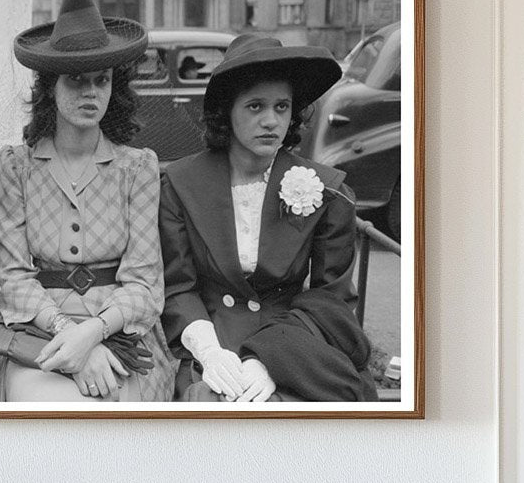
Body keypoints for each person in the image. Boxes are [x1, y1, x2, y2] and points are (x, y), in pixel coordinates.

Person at [158, 33, 377, 402]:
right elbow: (178, 287)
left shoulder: (326, 190)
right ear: (228, 110)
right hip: (210, 342)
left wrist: (268, 361)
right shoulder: (180, 184)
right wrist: (210, 353)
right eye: (255, 107)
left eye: (281, 107)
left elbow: (331, 300)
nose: (271, 121)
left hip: (291, 344)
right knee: (207, 405)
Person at [0, 0, 176, 402]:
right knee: (47, 409)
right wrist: (68, 335)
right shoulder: (18, 166)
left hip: (121, 329)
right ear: (50, 88)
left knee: (115, 412)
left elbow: (145, 281)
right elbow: (14, 277)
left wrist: (93, 333)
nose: (90, 92)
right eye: (76, 81)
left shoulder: (137, 167)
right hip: (40, 328)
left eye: (101, 80)